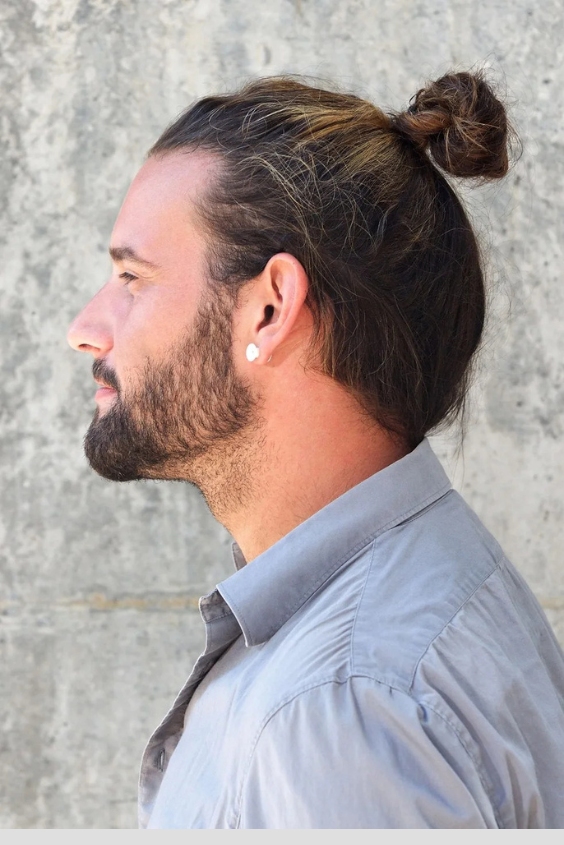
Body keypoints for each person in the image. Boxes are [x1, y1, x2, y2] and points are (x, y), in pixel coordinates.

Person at [68, 70, 564, 829]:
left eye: (133, 278)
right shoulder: (419, 594)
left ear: (268, 309)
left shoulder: (341, 711)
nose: (87, 327)